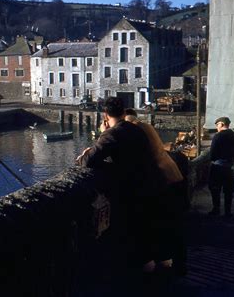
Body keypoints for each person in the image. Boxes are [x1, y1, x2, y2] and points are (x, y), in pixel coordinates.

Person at [76, 97, 161, 274]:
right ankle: (148, 272)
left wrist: (100, 137)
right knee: (142, 234)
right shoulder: (136, 130)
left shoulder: (112, 133)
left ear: (105, 115)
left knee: (128, 232)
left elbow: (87, 162)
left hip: (129, 191)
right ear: (123, 112)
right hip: (148, 185)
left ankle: (134, 277)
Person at [124, 108, 187, 276]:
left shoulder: (135, 129)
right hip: (173, 178)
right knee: (170, 229)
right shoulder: (146, 126)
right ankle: (174, 266)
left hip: (161, 183)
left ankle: (161, 273)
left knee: (156, 230)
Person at [208, 117, 234, 217]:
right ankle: (227, 212)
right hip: (231, 167)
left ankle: (216, 210)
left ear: (222, 124)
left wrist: (213, 159)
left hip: (218, 167)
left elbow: (213, 152)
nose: (216, 127)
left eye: (217, 125)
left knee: (215, 189)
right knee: (228, 191)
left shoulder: (218, 136)